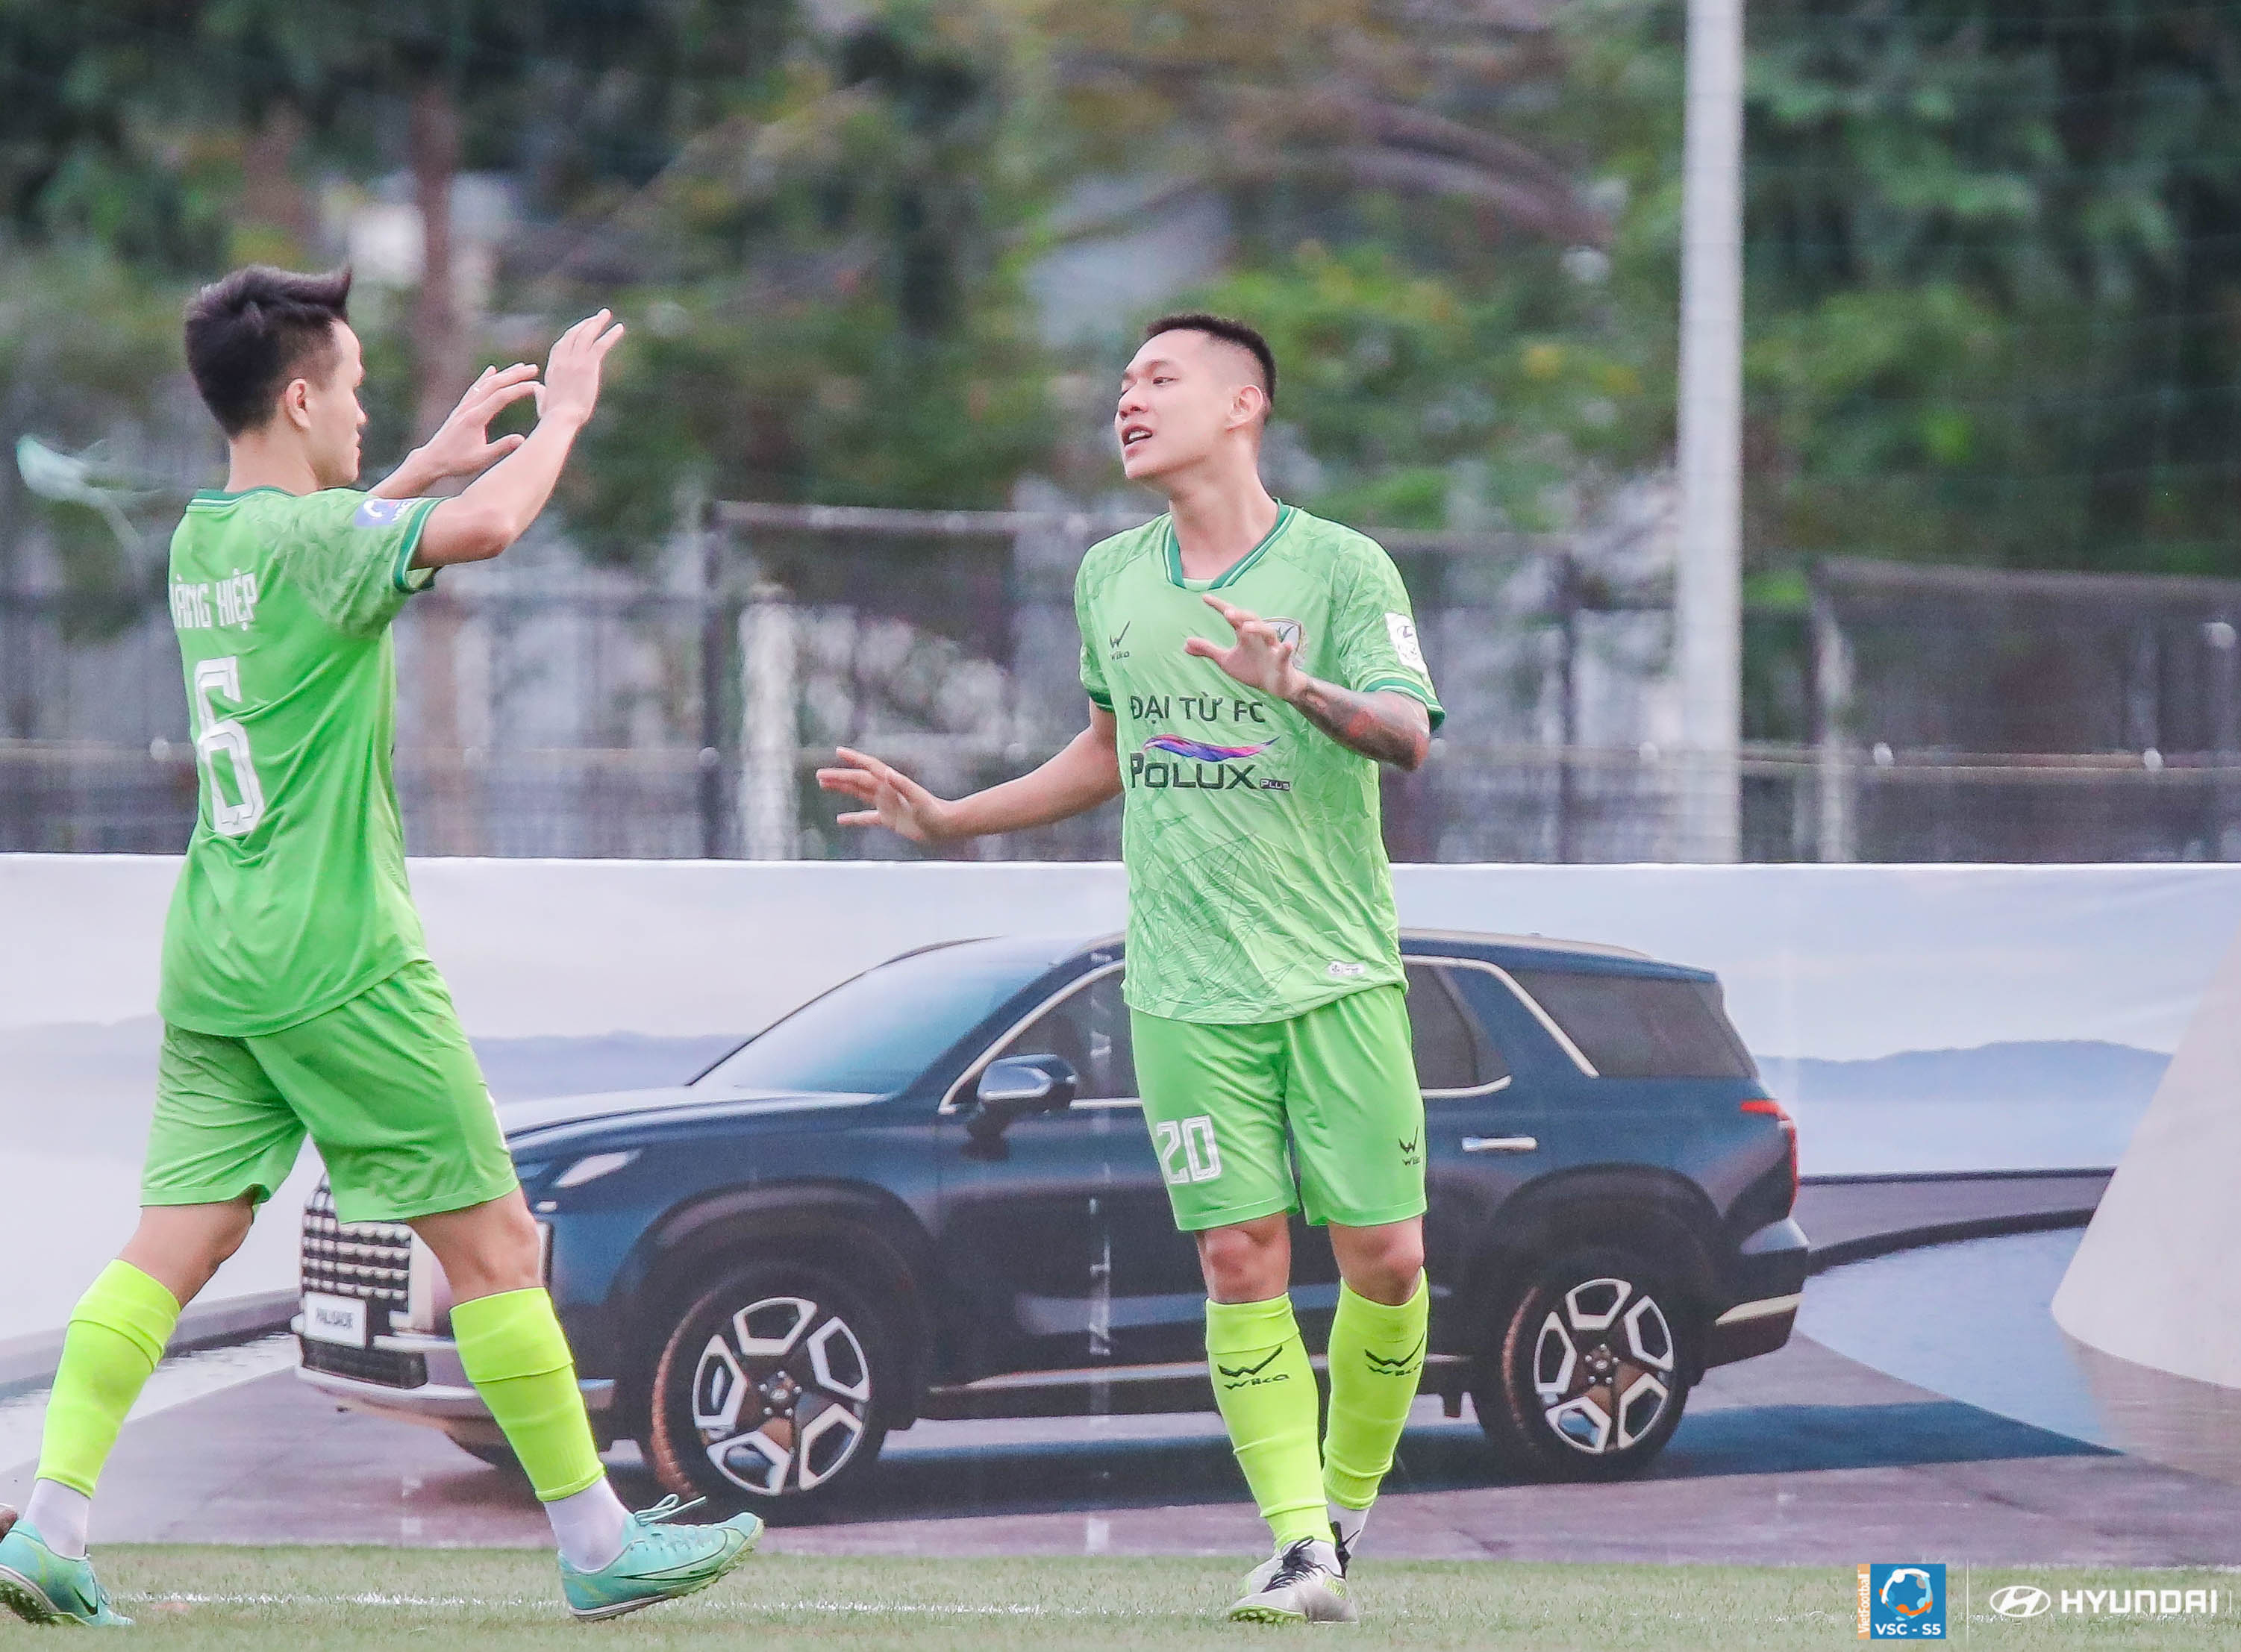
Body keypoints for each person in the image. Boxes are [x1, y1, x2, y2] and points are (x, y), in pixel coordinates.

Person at [0, 266, 760, 1627]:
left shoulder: (204, 542)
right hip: (337, 953)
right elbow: (491, 527)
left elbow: (331, 542)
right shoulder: (320, 540)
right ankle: (598, 1541)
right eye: (353, 388)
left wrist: (422, 463)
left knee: (176, 1241)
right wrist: (561, 419)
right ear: (300, 398)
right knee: (498, 1245)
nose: (365, 411)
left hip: (217, 950)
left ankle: (49, 1524)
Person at [819, 313, 1441, 1624]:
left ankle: (1342, 1508)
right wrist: (952, 818)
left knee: (1386, 1258)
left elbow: (1405, 735)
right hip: (1183, 986)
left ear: (1242, 406)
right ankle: (1297, 1546)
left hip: (1335, 970)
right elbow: (1107, 749)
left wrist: (1296, 688)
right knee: (1238, 1259)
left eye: (1160, 377)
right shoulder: (1110, 575)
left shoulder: (1341, 565)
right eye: (1121, 381)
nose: (1128, 399)